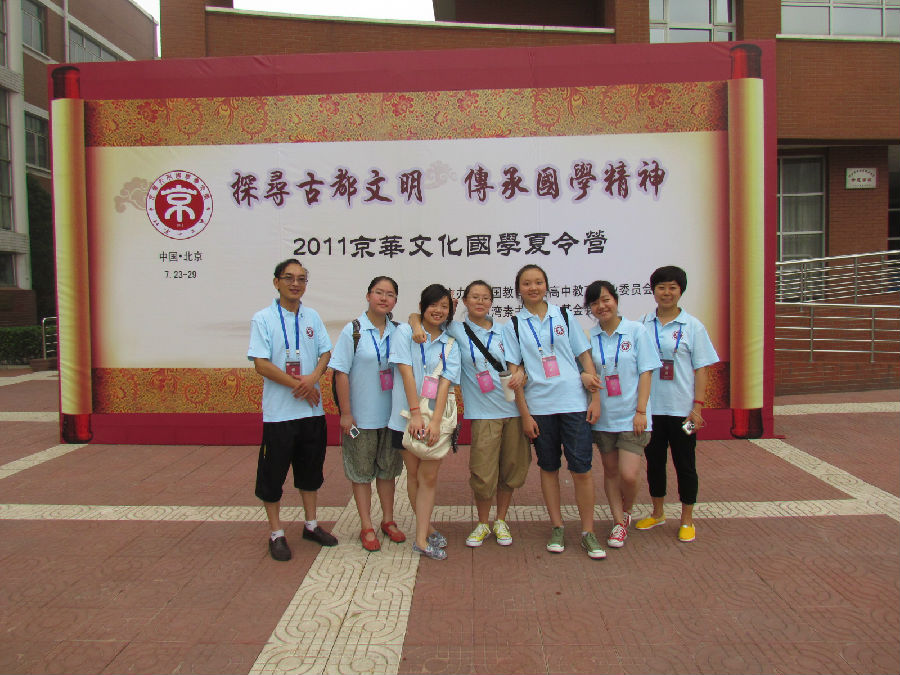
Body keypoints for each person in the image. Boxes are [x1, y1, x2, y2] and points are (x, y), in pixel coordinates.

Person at [410, 280, 531, 548]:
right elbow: (417, 316)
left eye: (486, 297)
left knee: (511, 468)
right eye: (474, 297)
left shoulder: (505, 330)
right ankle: (483, 523)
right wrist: (416, 326)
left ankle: (501, 520)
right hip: (483, 414)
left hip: (513, 410)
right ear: (464, 301)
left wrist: (522, 372)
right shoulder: (455, 329)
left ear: (492, 302)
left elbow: (519, 363)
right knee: (483, 472)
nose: (480, 302)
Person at [502, 264, 605, 559]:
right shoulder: (514, 325)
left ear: (546, 285)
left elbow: (584, 356)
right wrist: (525, 414)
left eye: (538, 282)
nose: (533, 288)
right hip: (539, 407)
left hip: (574, 403)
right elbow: (514, 372)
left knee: (581, 468)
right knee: (548, 468)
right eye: (526, 283)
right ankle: (557, 527)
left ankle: (588, 532)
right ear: (518, 289)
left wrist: (594, 398)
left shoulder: (563, 315)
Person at [248, 259, 337, 562]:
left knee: (310, 472)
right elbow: (261, 364)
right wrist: (299, 385)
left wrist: (313, 378)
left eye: (301, 279)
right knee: (272, 476)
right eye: (289, 278)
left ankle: (311, 525)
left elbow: (325, 352)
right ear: (276, 282)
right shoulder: (263, 319)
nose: (295, 284)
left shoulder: (312, 316)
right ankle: (276, 533)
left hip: (311, 414)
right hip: (279, 416)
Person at [636, 265, 719, 543]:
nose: (666, 292)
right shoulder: (642, 324)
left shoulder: (693, 326)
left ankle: (687, 519)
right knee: (654, 463)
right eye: (661, 287)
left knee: (685, 464)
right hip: (652, 410)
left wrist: (698, 407)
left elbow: (702, 369)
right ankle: (657, 513)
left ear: (681, 291)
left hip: (683, 411)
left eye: (672, 287)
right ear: (653, 291)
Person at [329, 276, 406, 552]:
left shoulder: (400, 331)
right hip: (360, 418)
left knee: (388, 471)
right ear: (368, 295)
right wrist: (346, 413)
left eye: (390, 294)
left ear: (395, 300)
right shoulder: (354, 331)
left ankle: (388, 520)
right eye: (378, 292)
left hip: (392, 417)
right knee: (361, 473)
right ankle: (366, 525)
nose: (384, 298)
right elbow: (341, 373)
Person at [583, 280, 661, 550]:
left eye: (606, 300)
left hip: (632, 416)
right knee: (611, 471)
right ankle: (618, 522)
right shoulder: (589, 337)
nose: (601, 306)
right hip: (604, 417)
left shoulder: (636, 331)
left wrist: (641, 411)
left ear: (616, 300)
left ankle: (627, 510)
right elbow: (586, 372)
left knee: (629, 474)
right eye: (595, 303)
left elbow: (646, 372)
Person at [388, 284, 461, 561]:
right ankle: (423, 535)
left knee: (428, 477)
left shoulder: (451, 344)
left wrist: (437, 422)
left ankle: (423, 531)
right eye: (433, 305)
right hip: (406, 417)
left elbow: (444, 385)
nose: (438, 310)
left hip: (433, 421)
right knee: (414, 473)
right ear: (422, 306)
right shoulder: (405, 333)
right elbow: (405, 372)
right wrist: (416, 414)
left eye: (444, 306)